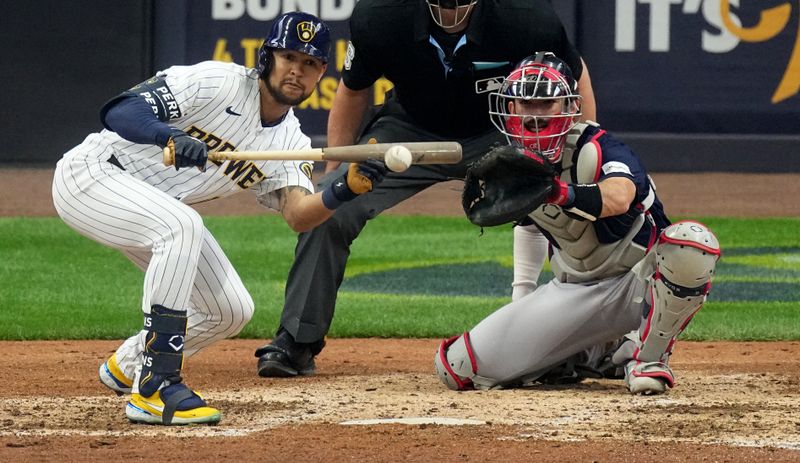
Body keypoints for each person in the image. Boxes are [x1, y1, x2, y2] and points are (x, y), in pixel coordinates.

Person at [51, 12, 387, 426]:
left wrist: (344, 190)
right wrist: (169, 135)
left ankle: (129, 364)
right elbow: (121, 110)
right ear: (266, 58)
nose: (297, 70)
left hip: (153, 207)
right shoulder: (217, 81)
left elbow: (299, 216)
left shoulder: (292, 141)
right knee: (182, 225)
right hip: (93, 175)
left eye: (311, 63)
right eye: (288, 57)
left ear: (321, 75)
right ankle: (156, 386)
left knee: (229, 310)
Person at [255, 0, 598, 378]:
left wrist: (583, 159)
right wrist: (334, 173)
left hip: (498, 131)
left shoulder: (526, 15)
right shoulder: (380, 14)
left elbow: (574, 78)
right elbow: (353, 91)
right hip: (408, 132)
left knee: (571, 205)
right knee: (332, 206)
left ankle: (586, 345)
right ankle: (297, 340)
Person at [435, 52, 721, 394]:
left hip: (637, 281)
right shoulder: (513, 161)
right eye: (525, 104)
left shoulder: (600, 148)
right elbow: (528, 226)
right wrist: (522, 298)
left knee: (691, 244)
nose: (534, 115)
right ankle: (593, 353)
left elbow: (619, 196)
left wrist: (558, 192)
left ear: (569, 106)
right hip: (574, 290)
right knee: (457, 367)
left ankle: (647, 358)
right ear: (510, 109)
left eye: (546, 103)